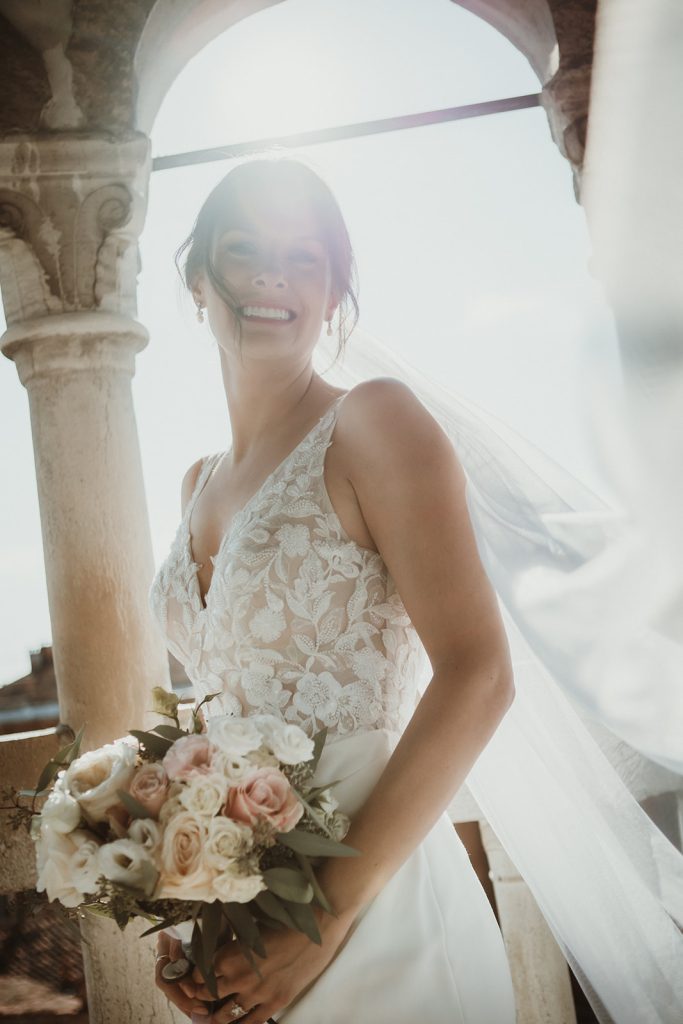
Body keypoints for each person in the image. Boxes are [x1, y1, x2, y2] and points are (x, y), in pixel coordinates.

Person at [148, 153, 519, 1023]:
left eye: (304, 258)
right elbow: (221, 710)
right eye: (244, 250)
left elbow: (480, 674)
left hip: (374, 909)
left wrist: (319, 917)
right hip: (248, 920)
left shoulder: (372, 422)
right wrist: (186, 900)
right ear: (198, 279)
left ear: (330, 293)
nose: (273, 274)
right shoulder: (195, 481)